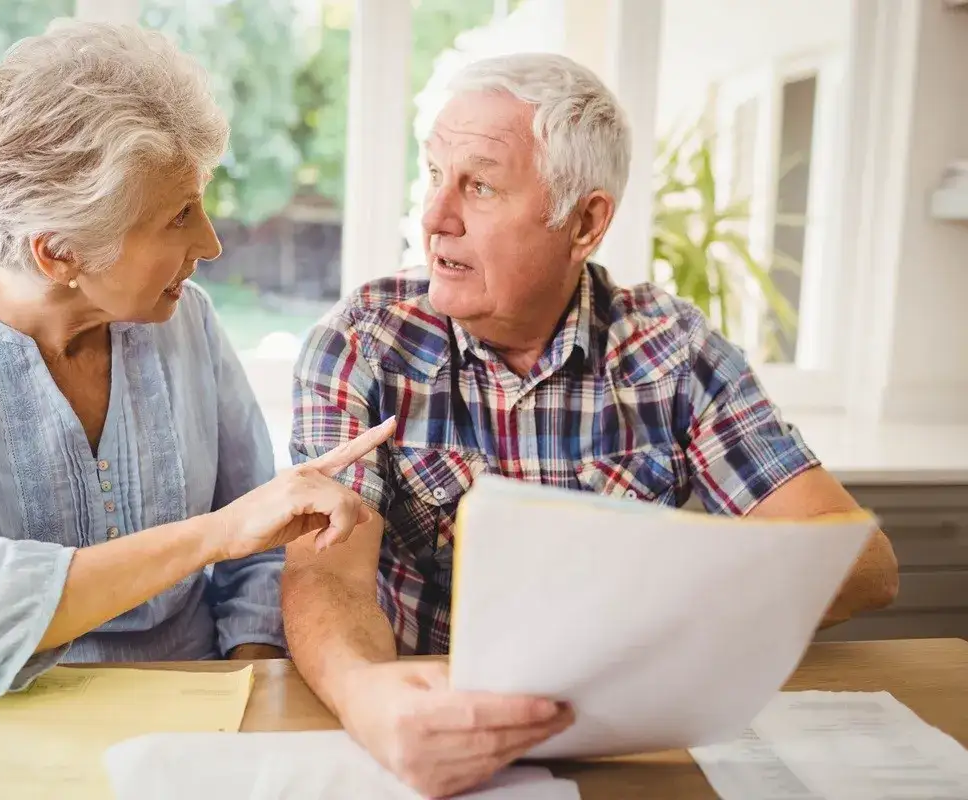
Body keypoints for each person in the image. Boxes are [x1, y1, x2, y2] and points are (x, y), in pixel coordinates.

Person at [282, 52, 900, 797]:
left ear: (585, 222)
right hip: (421, 742)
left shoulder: (673, 352)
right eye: (433, 173)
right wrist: (363, 696)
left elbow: (860, 562)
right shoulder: (362, 341)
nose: (435, 216)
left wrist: (639, 611)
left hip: (625, 750)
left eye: (477, 185)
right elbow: (327, 577)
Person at [0, 21, 395, 698]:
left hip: (200, 705)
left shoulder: (188, 321)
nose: (212, 243)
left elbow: (258, 557)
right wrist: (211, 536)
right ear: (59, 252)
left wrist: (243, 692)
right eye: (179, 216)